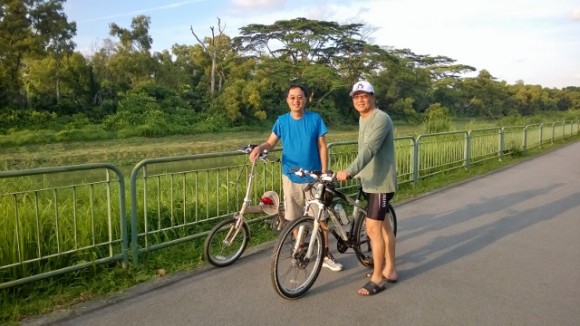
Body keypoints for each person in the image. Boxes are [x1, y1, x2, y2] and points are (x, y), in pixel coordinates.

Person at [249, 84, 343, 272]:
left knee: (320, 218)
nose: (296, 101)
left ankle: (325, 254)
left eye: (299, 97)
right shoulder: (282, 121)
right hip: (291, 177)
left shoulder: (315, 119)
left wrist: (324, 173)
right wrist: (259, 148)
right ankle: (299, 250)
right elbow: (270, 143)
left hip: (314, 178)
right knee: (294, 218)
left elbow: (322, 146)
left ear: (305, 99)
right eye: (292, 97)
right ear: (287, 100)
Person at [336, 80, 398, 296]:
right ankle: (390, 269)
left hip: (381, 183)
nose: (360, 99)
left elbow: (370, 148)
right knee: (383, 228)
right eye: (356, 96)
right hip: (369, 181)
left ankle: (378, 278)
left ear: (373, 97)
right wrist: (359, 173)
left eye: (364, 95)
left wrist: (350, 171)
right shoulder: (363, 119)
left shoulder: (380, 118)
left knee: (373, 229)